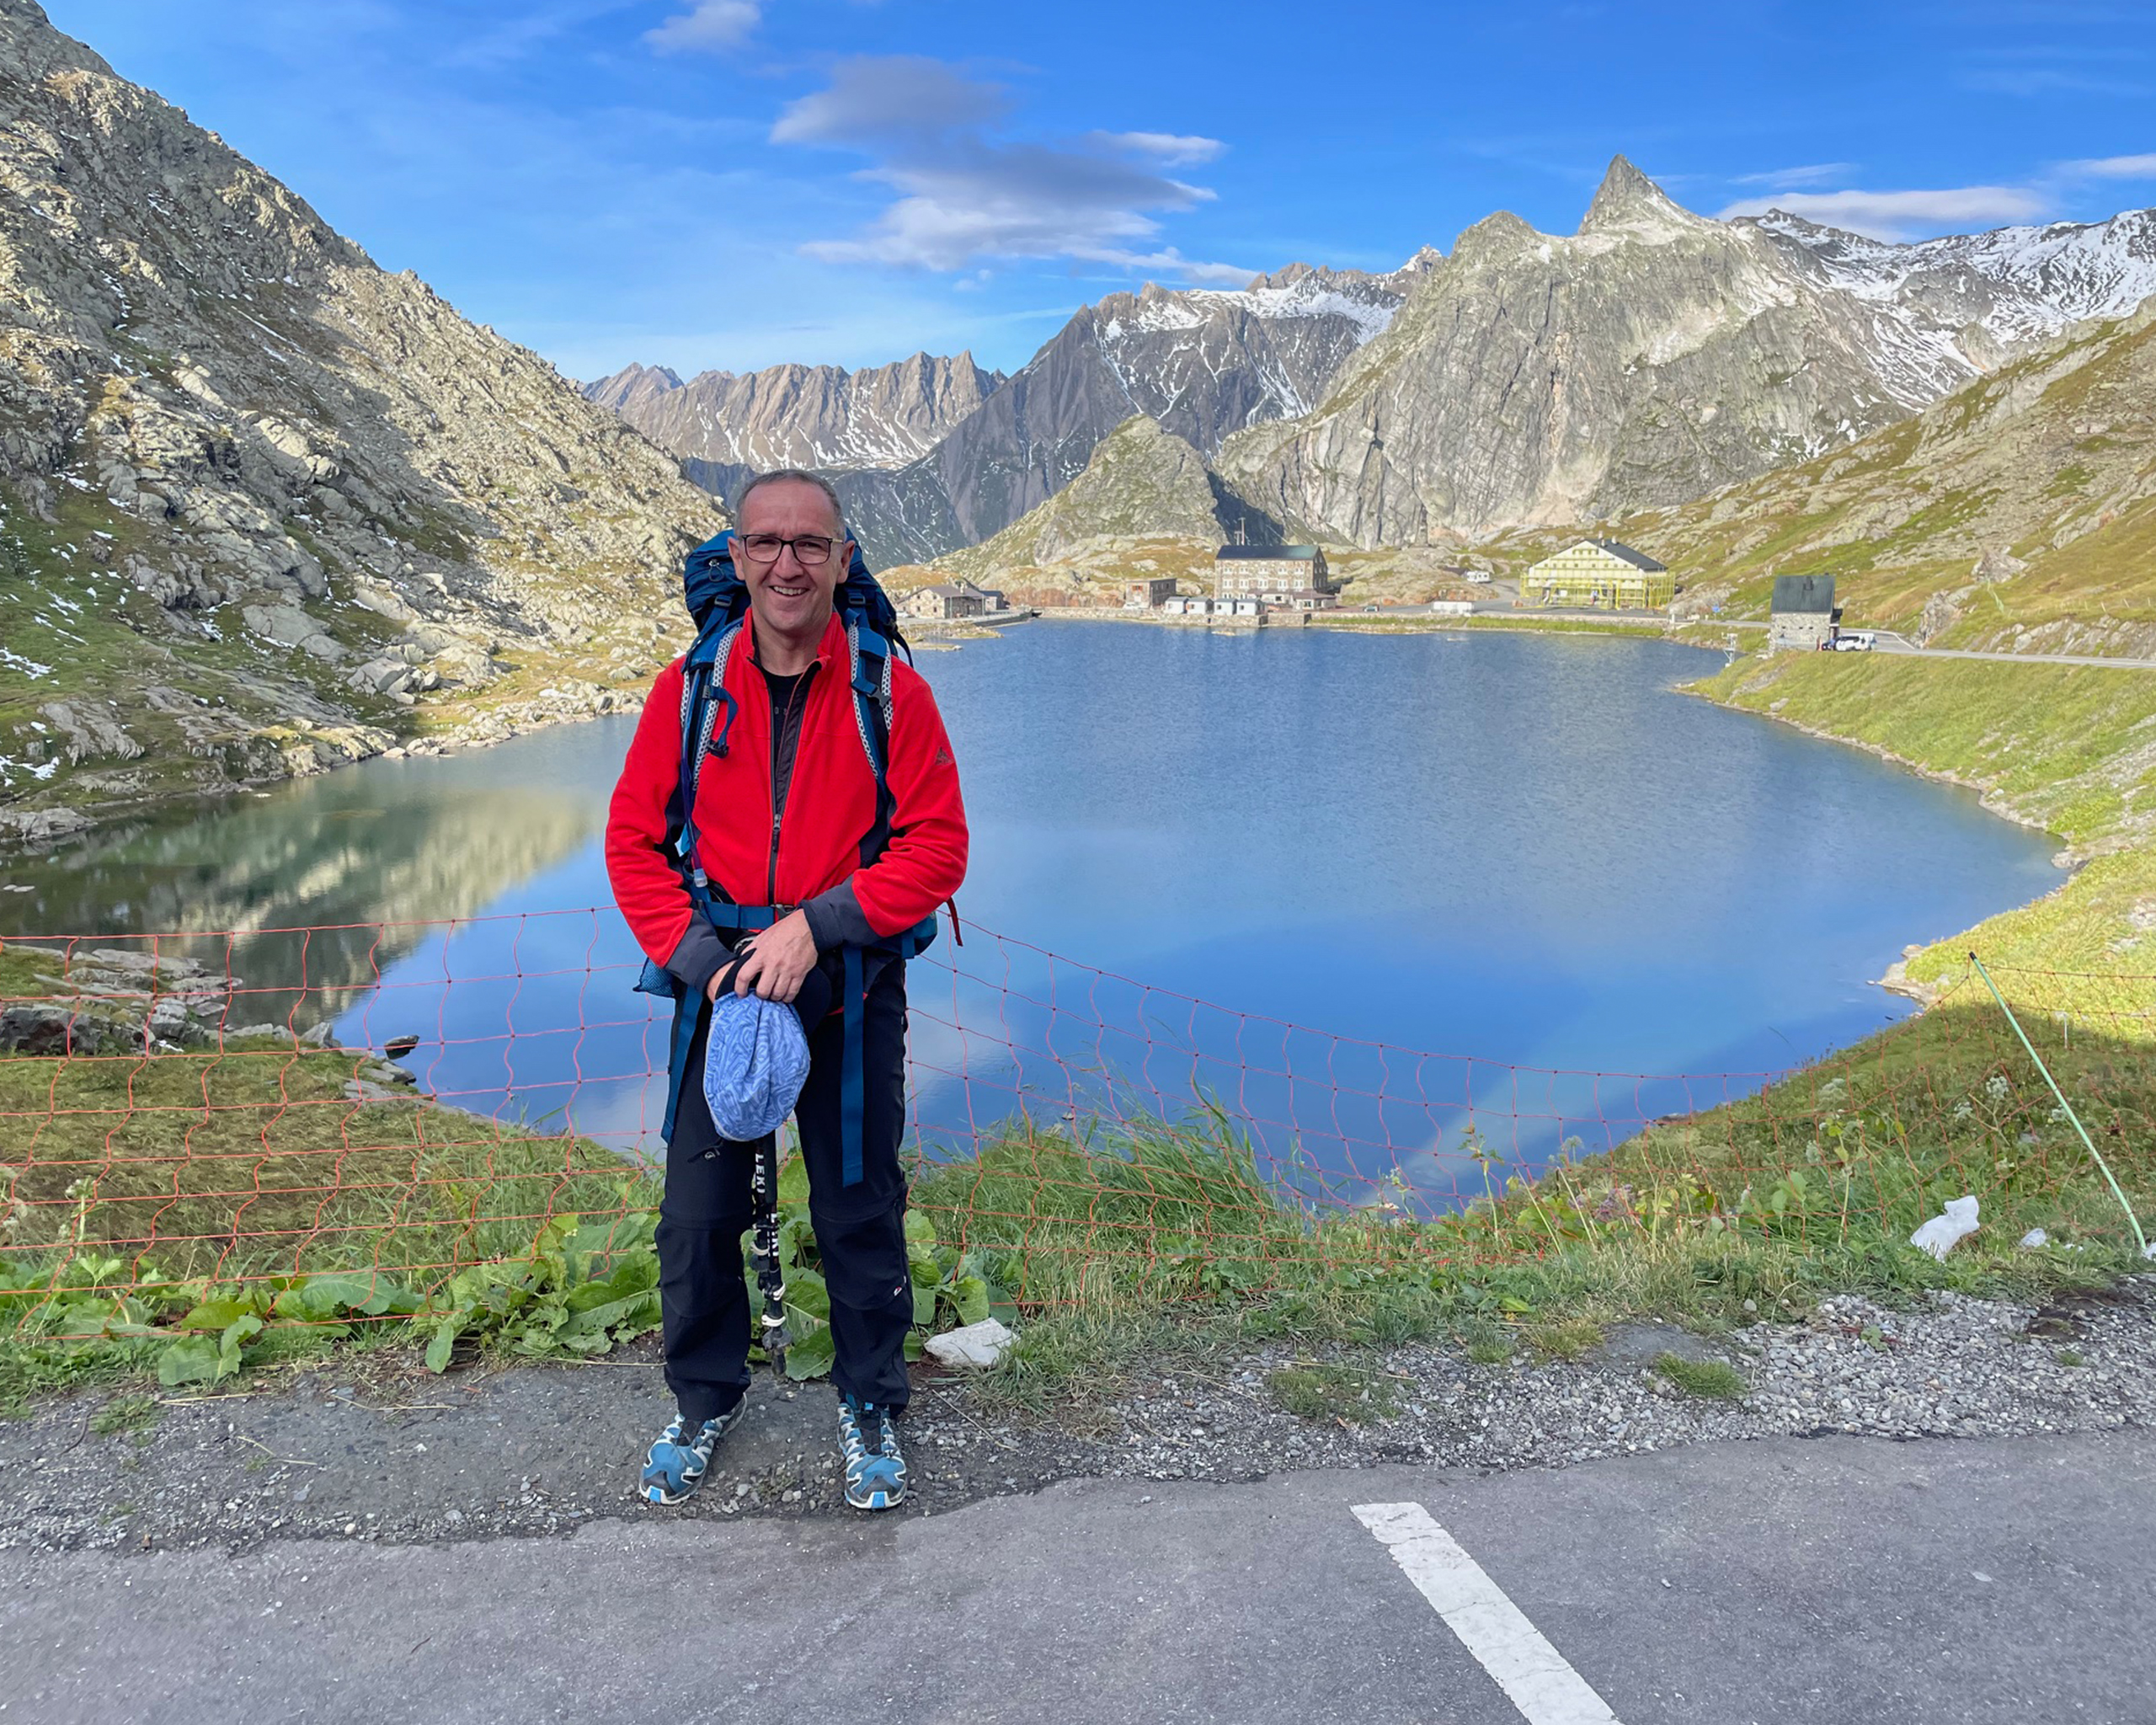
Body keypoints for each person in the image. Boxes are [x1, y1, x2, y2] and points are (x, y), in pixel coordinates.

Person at [605, 469, 969, 1511]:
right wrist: (703, 959)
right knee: (696, 1210)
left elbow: (936, 846)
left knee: (858, 1202)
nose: (787, 563)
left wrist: (818, 924)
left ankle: (870, 1401)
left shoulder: (890, 692)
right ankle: (704, 1395)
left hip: (848, 982)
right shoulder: (690, 690)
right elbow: (634, 842)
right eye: (766, 542)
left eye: (810, 543)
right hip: (719, 985)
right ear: (738, 554)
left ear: (844, 559)